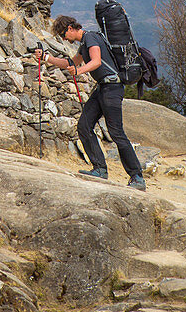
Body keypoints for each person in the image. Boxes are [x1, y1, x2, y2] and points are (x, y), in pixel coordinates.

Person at [45, 13, 146, 191]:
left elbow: (96, 62)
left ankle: (137, 177)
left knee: (116, 133)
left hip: (112, 89)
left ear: (70, 28)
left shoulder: (90, 37)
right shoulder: (84, 43)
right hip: (102, 89)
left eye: (63, 34)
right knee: (84, 126)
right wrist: (46, 59)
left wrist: (79, 71)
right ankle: (99, 169)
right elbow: (70, 62)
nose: (63, 38)